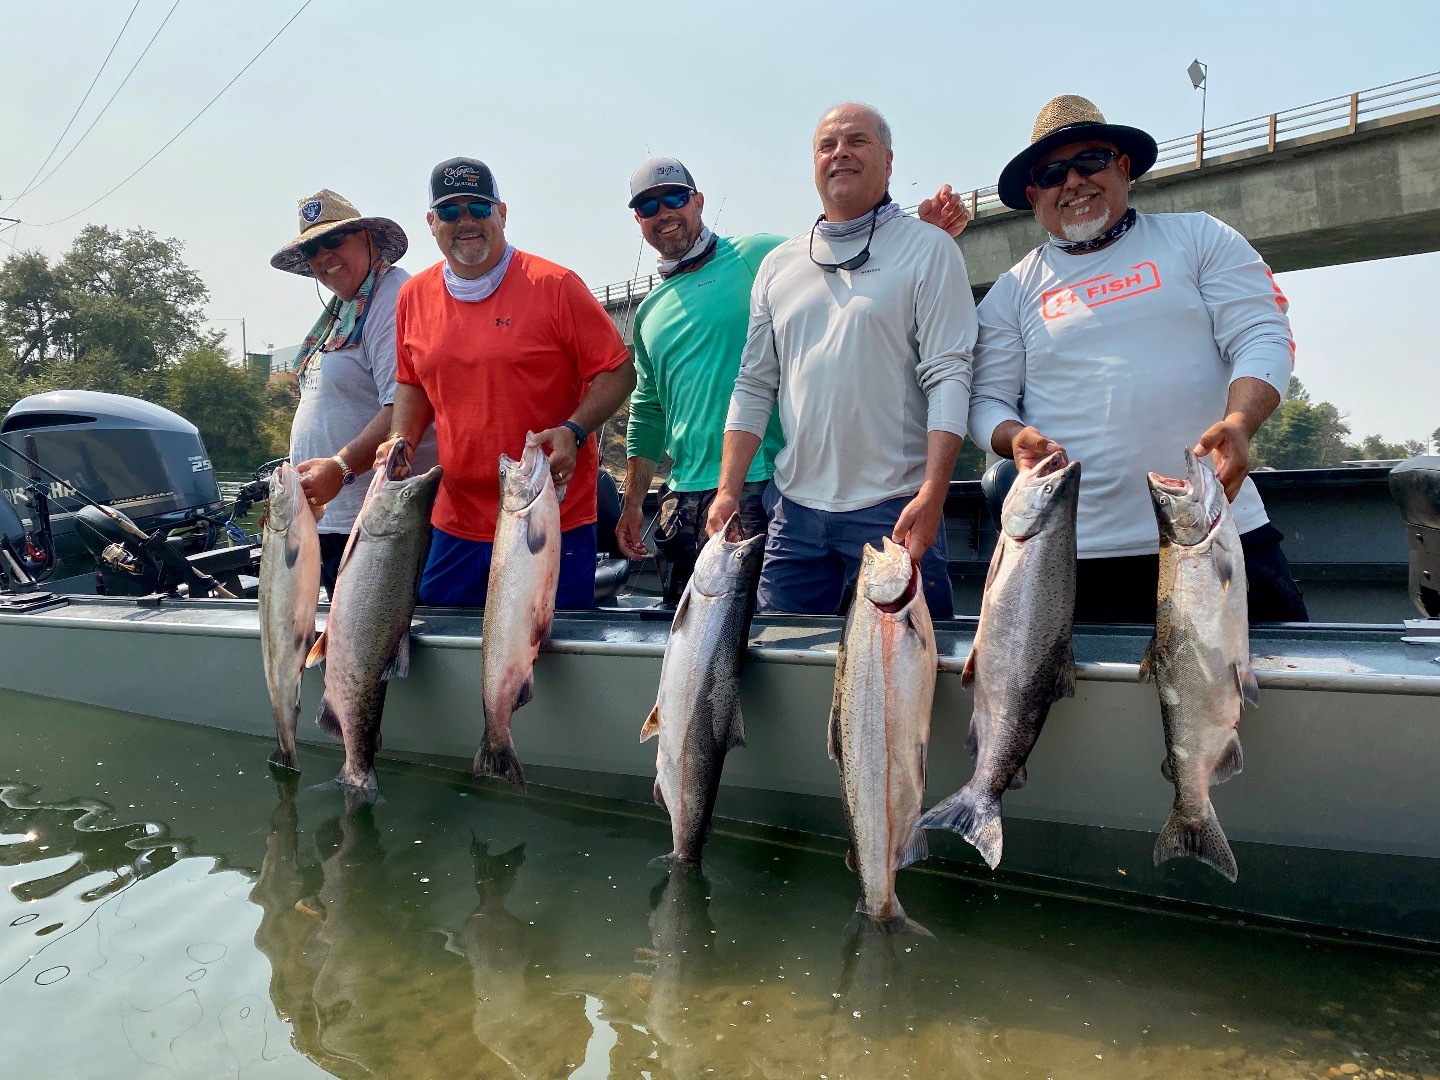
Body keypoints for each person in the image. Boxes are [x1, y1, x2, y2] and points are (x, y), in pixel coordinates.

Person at [968, 95, 1308, 623]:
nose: (1075, 181)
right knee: (1096, 708)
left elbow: (1262, 333)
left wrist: (1240, 421)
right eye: (1055, 172)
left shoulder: (1199, 238)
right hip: (1073, 558)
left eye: (1092, 162)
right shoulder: (1011, 292)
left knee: (1282, 699)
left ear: (1123, 168)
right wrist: (1012, 437)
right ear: (1035, 196)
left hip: (1217, 531)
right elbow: (986, 398)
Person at [616, 157, 971, 606]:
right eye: (649, 206)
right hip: (683, 496)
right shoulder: (649, 311)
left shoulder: (758, 253)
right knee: (694, 633)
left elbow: (842, 264)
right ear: (638, 220)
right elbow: (647, 410)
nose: (664, 212)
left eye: (675, 198)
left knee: (769, 631)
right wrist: (631, 504)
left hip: (760, 485)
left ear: (698, 201)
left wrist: (921, 236)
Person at [707, 103, 977, 618]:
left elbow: (949, 375)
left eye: (857, 141)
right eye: (827, 146)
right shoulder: (778, 266)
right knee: (785, 672)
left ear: (889, 160)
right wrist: (728, 492)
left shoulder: (930, 249)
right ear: (813, 163)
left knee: (910, 683)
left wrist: (934, 493)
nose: (840, 154)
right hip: (794, 515)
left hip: (897, 508)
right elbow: (753, 385)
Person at [377, 157, 635, 610]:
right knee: (447, 648)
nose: (466, 222)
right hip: (457, 521)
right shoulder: (412, 296)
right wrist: (402, 438)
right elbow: (412, 382)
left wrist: (574, 431)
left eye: (478, 208)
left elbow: (618, 371)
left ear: (502, 213)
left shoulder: (556, 285)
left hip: (549, 515)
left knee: (550, 659)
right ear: (431, 222)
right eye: (451, 212)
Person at [270, 189, 437, 596]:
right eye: (312, 248)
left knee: (371, 645)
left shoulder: (394, 298)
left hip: (378, 523)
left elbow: (404, 405)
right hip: (333, 516)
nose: (324, 256)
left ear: (368, 239)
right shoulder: (343, 311)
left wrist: (340, 469)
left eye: (334, 240)